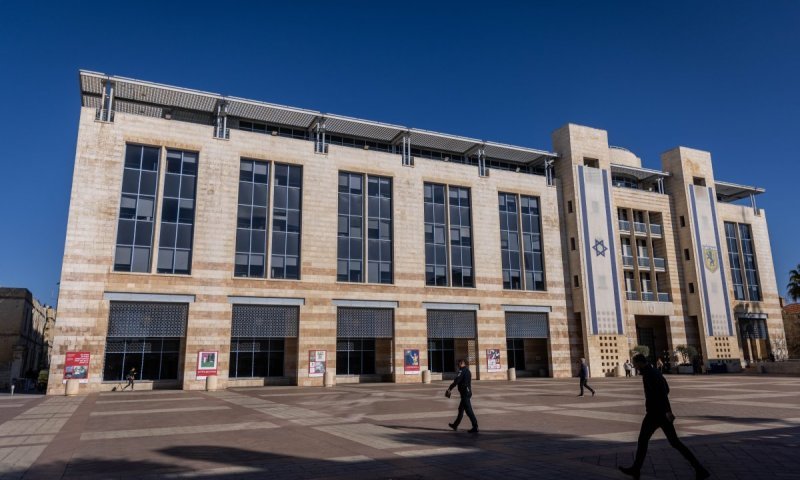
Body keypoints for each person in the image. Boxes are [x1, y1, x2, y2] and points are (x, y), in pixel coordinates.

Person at [619, 354, 709, 480]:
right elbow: (666, 389)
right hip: (660, 413)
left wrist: (667, 411)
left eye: (635, 363)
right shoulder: (653, 372)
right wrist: (666, 411)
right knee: (674, 442)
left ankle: (636, 469)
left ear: (640, 363)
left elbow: (661, 393)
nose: (634, 366)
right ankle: (700, 469)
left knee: (644, 441)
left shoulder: (650, 374)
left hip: (655, 414)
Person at [446, 359, 478, 433]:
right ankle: (455, 425)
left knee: (469, 411)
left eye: (458, 364)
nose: (457, 366)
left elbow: (457, 381)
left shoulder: (462, 371)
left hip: (465, 394)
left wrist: (450, 388)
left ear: (461, 363)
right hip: (467, 392)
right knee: (461, 409)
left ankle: (475, 426)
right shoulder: (467, 371)